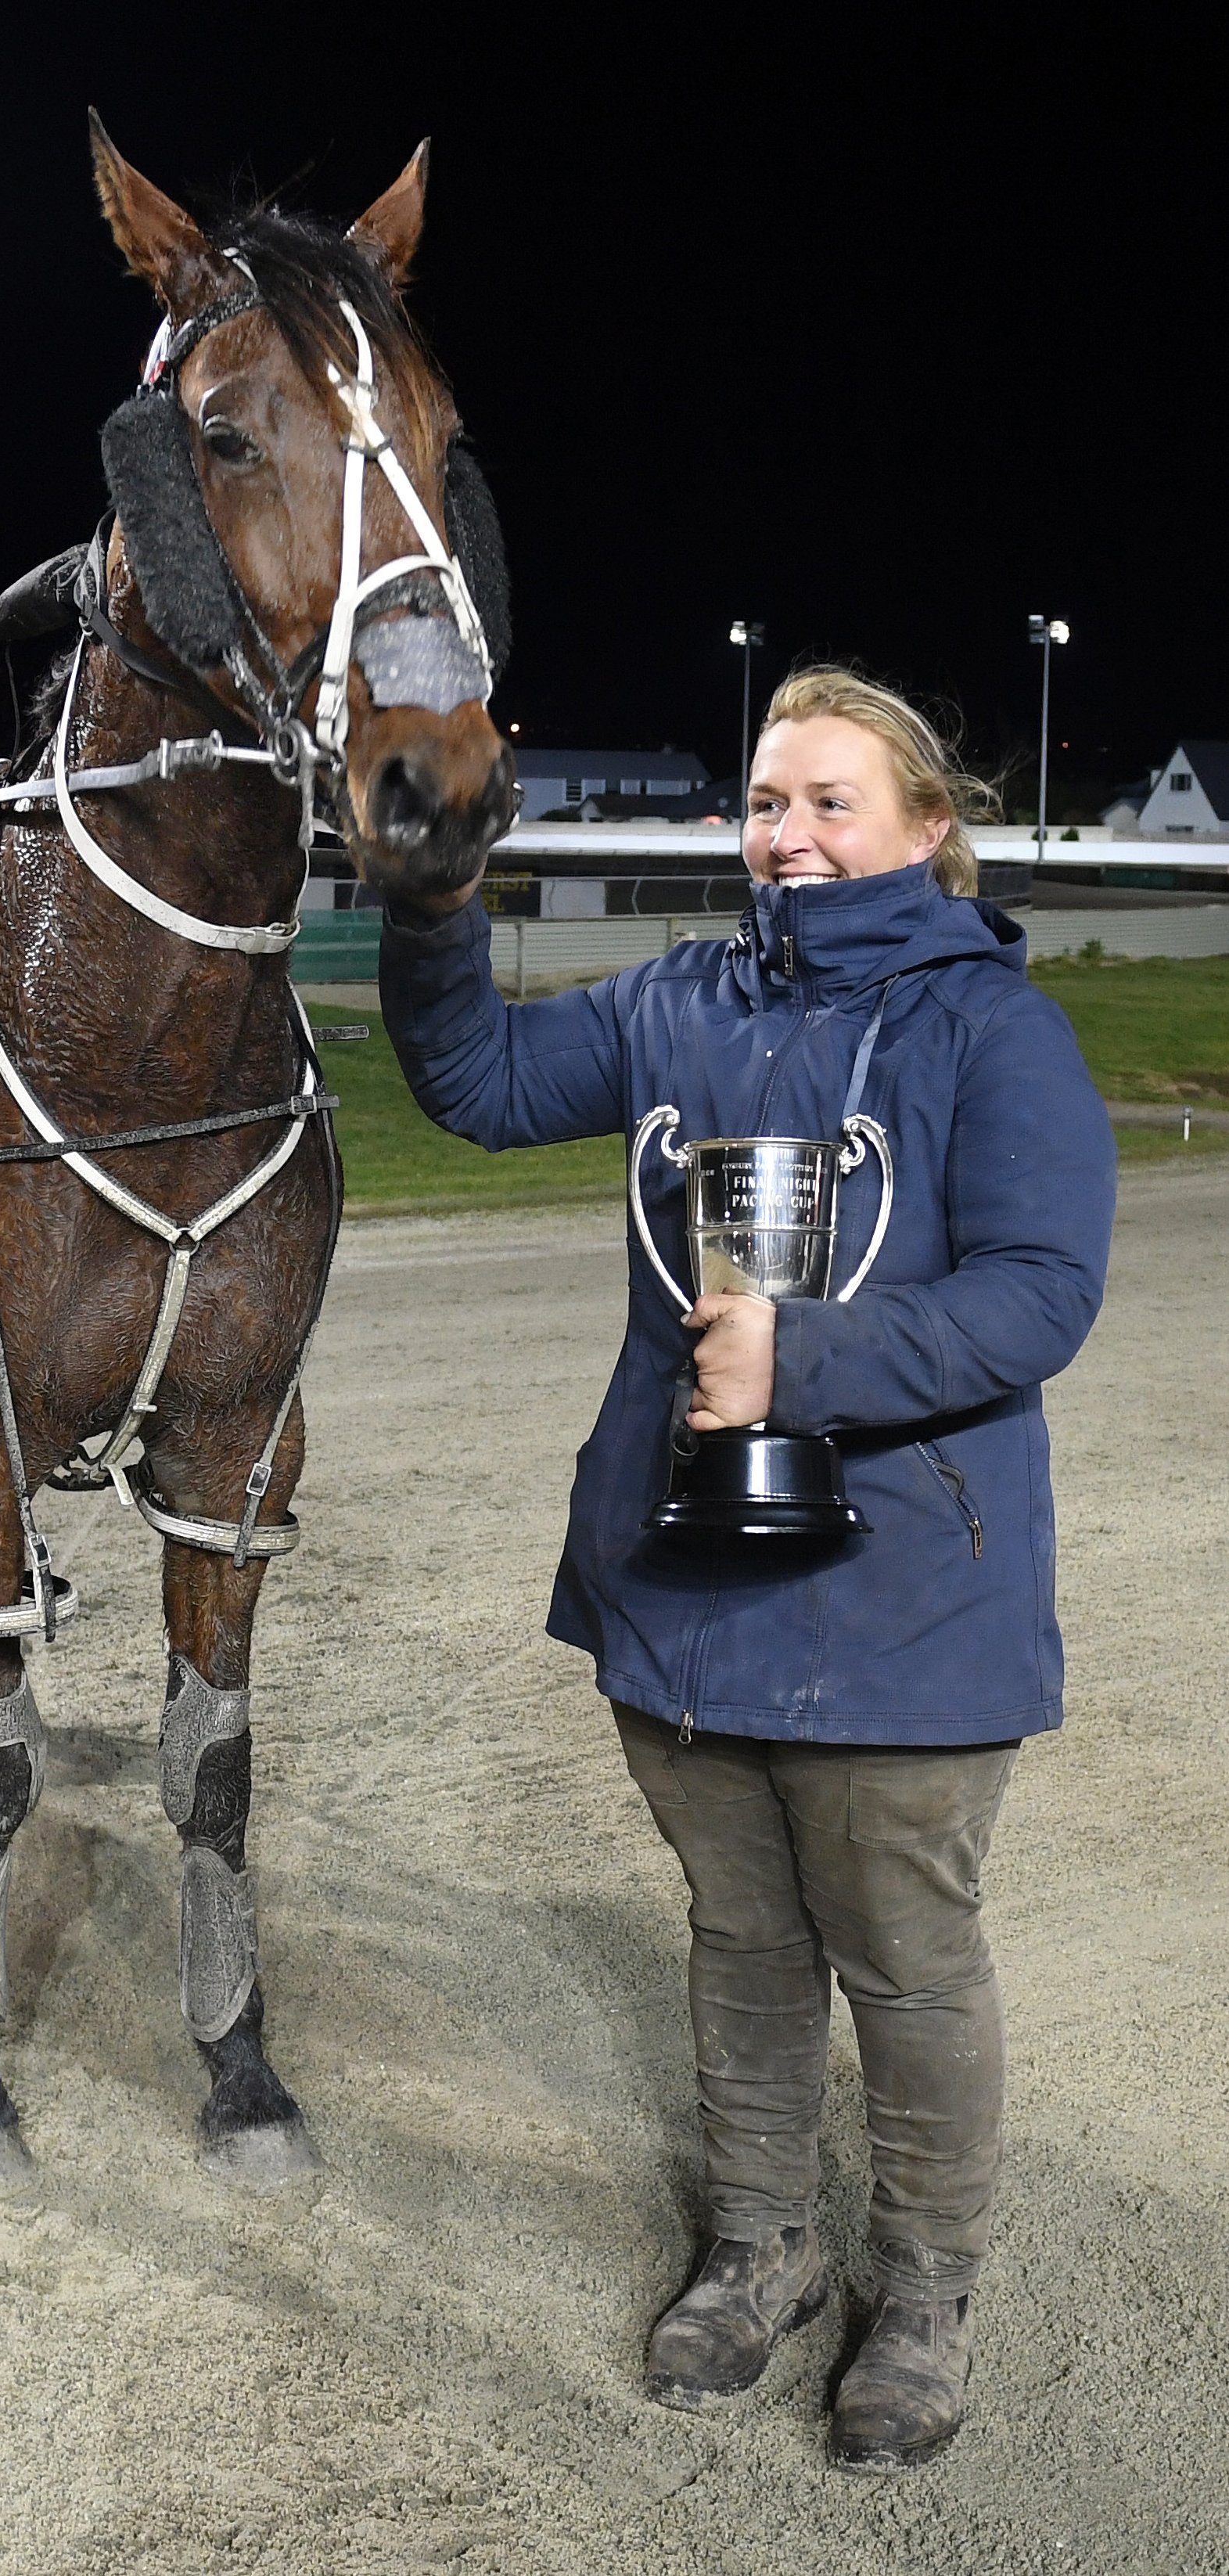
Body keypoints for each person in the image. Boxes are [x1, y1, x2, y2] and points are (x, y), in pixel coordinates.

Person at [379, 668, 1114, 2473]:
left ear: (926, 827)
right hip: (684, 1577)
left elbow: (1041, 1293)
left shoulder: (988, 1029)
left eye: (829, 801)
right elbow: (471, 1083)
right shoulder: (677, 999)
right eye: (765, 799)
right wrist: (437, 898)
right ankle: (765, 2238)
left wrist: (805, 1362)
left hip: (905, 1598)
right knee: (741, 1937)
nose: (783, 833)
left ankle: (925, 2283)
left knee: (907, 1955)